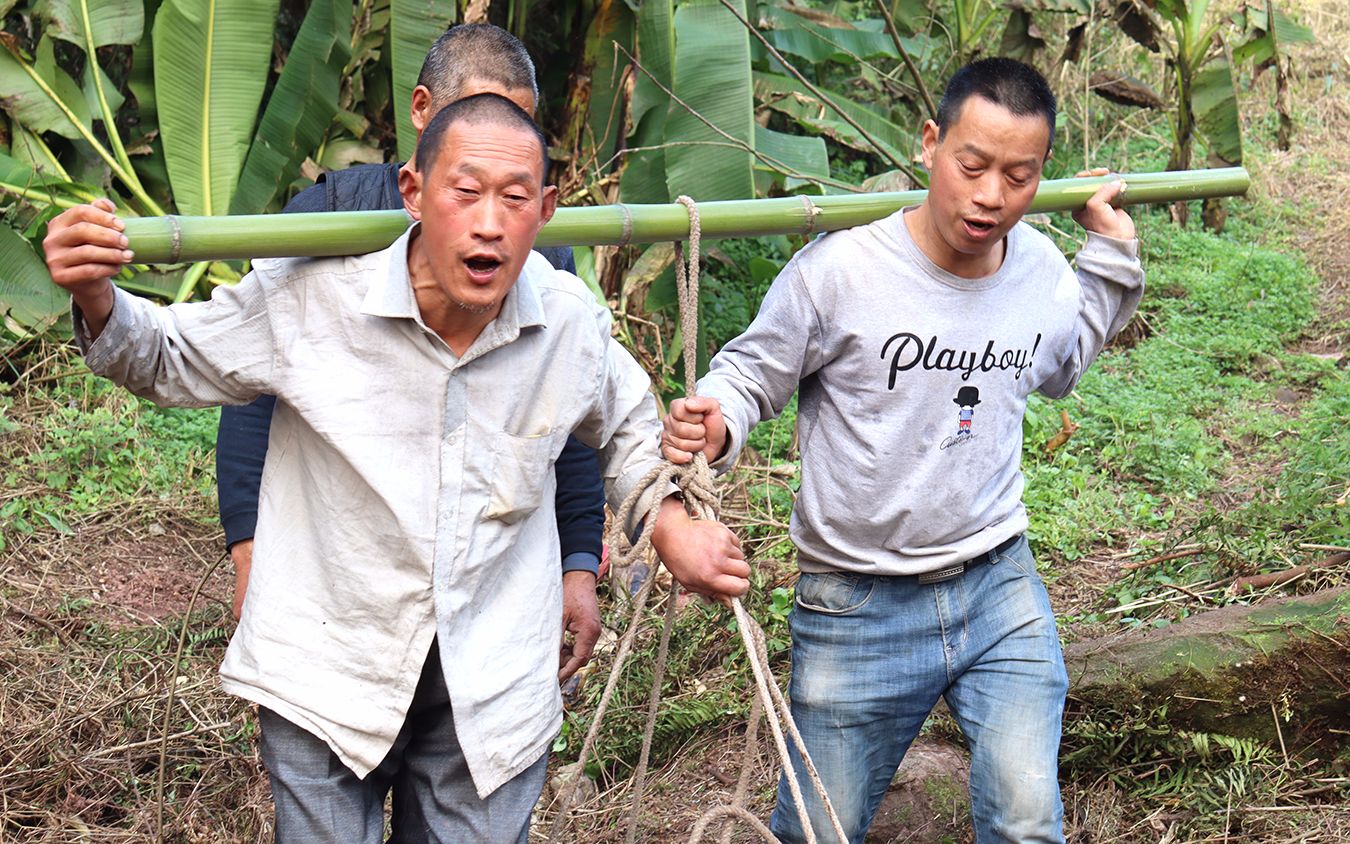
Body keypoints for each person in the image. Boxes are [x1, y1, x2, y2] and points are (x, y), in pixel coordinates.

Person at [43, 93, 751, 842]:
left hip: (493, 682)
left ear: (544, 210)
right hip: (330, 664)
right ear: (413, 192)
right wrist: (95, 291)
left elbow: (632, 433)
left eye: (514, 198)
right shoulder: (312, 298)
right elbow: (165, 354)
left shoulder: (569, 322)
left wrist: (671, 524)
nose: (489, 222)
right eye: (465, 191)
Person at [661, 58, 1144, 843]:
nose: (991, 197)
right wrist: (714, 421)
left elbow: (1061, 362)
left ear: (1041, 174)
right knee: (821, 827)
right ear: (930, 144)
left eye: (1018, 176)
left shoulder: (1040, 272)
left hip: (997, 583)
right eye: (972, 165)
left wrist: (1111, 260)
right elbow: (752, 372)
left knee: (1027, 817)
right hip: (859, 601)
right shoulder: (842, 273)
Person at [214, 23, 607, 685]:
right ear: (422, 113)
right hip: (338, 581)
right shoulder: (329, 222)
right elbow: (255, 386)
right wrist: (251, 551)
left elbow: (567, 420)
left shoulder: (539, 257)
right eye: (473, 116)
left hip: (485, 593)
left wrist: (578, 566)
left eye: (519, 128)